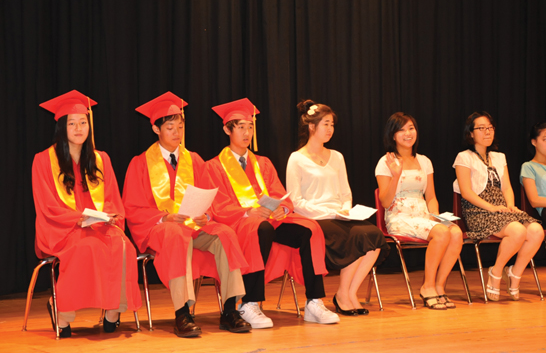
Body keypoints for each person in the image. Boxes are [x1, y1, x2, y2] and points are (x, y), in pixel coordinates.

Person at [122, 92, 250, 337]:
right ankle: (183, 312)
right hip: (159, 229)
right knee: (174, 232)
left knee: (224, 233)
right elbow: (133, 207)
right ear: (155, 129)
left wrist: (207, 216)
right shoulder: (139, 163)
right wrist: (164, 217)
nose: (177, 133)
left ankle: (230, 309)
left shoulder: (195, 160)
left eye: (180, 127)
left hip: (194, 226)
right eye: (170, 127)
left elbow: (209, 199)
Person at [204, 98, 339, 328]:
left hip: (270, 221)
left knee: (309, 229)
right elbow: (218, 207)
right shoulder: (213, 166)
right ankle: (249, 303)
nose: (247, 133)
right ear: (227, 129)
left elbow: (281, 194)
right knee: (260, 228)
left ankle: (314, 301)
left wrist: (281, 209)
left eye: (250, 127)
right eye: (241, 127)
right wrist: (249, 212)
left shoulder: (263, 163)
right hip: (240, 223)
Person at [32, 90, 142, 337]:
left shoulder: (101, 159)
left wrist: (111, 217)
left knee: (124, 247)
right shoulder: (43, 161)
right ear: (62, 127)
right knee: (86, 247)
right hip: (63, 228)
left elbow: (113, 199)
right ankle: (62, 311)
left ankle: (114, 310)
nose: (79, 128)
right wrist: (77, 219)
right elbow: (47, 205)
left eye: (83, 122)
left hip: (99, 226)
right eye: (72, 123)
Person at [286, 100, 389, 316]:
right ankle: (344, 296)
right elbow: (296, 202)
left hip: (340, 216)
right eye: (325, 124)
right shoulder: (296, 159)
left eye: (332, 124)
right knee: (355, 239)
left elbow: (345, 193)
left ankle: (347, 293)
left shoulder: (337, 156)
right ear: (312, 127)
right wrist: (330, 213)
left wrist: (345, 210)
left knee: (372, 235)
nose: (330, 129)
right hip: (315, 218)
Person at [375, 112, 463, 310]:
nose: (408, 133)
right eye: (402, 130)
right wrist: (396, 175)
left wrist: (436, 217)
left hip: (424, 215)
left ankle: (439, 287)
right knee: (441, 233)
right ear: (393, 135)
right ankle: (427, 286)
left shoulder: (424, 161)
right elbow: (385, 202)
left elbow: (431, 196)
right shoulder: (386, 162)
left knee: (455, 232)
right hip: (399, 216)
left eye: (411, 128)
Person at [453, 111, 544, 301]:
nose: (487, 132)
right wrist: (491, 207)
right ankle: (495, 272)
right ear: (471, 133)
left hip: (502, 210)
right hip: (478, 210)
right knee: (518, 231)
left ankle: (515, 273)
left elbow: (507, 187)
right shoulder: (464, 157)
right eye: (481, 128)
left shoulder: (499, 157)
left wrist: (510, 205)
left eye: (490, 128)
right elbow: (467, 192)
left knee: (536, 230)